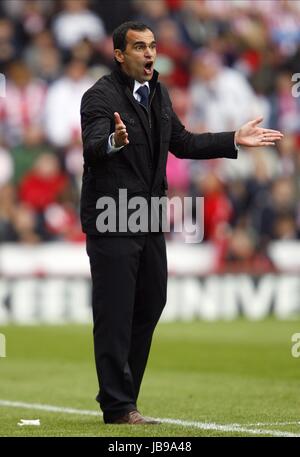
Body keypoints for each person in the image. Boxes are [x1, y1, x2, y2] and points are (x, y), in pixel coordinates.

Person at [80, 21, 283, 425]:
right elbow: (93, 145)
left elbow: (183, 142)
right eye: (139, 47)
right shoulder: (98, 96)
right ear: (119, 54)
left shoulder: (158, 94)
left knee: (152, 301)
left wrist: (232, 139)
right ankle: (119, 406)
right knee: (115, 311)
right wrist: (112, 142)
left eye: (152, 46)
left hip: (149, 217)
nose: (149, 53)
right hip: (112, 216)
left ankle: (123, 396)